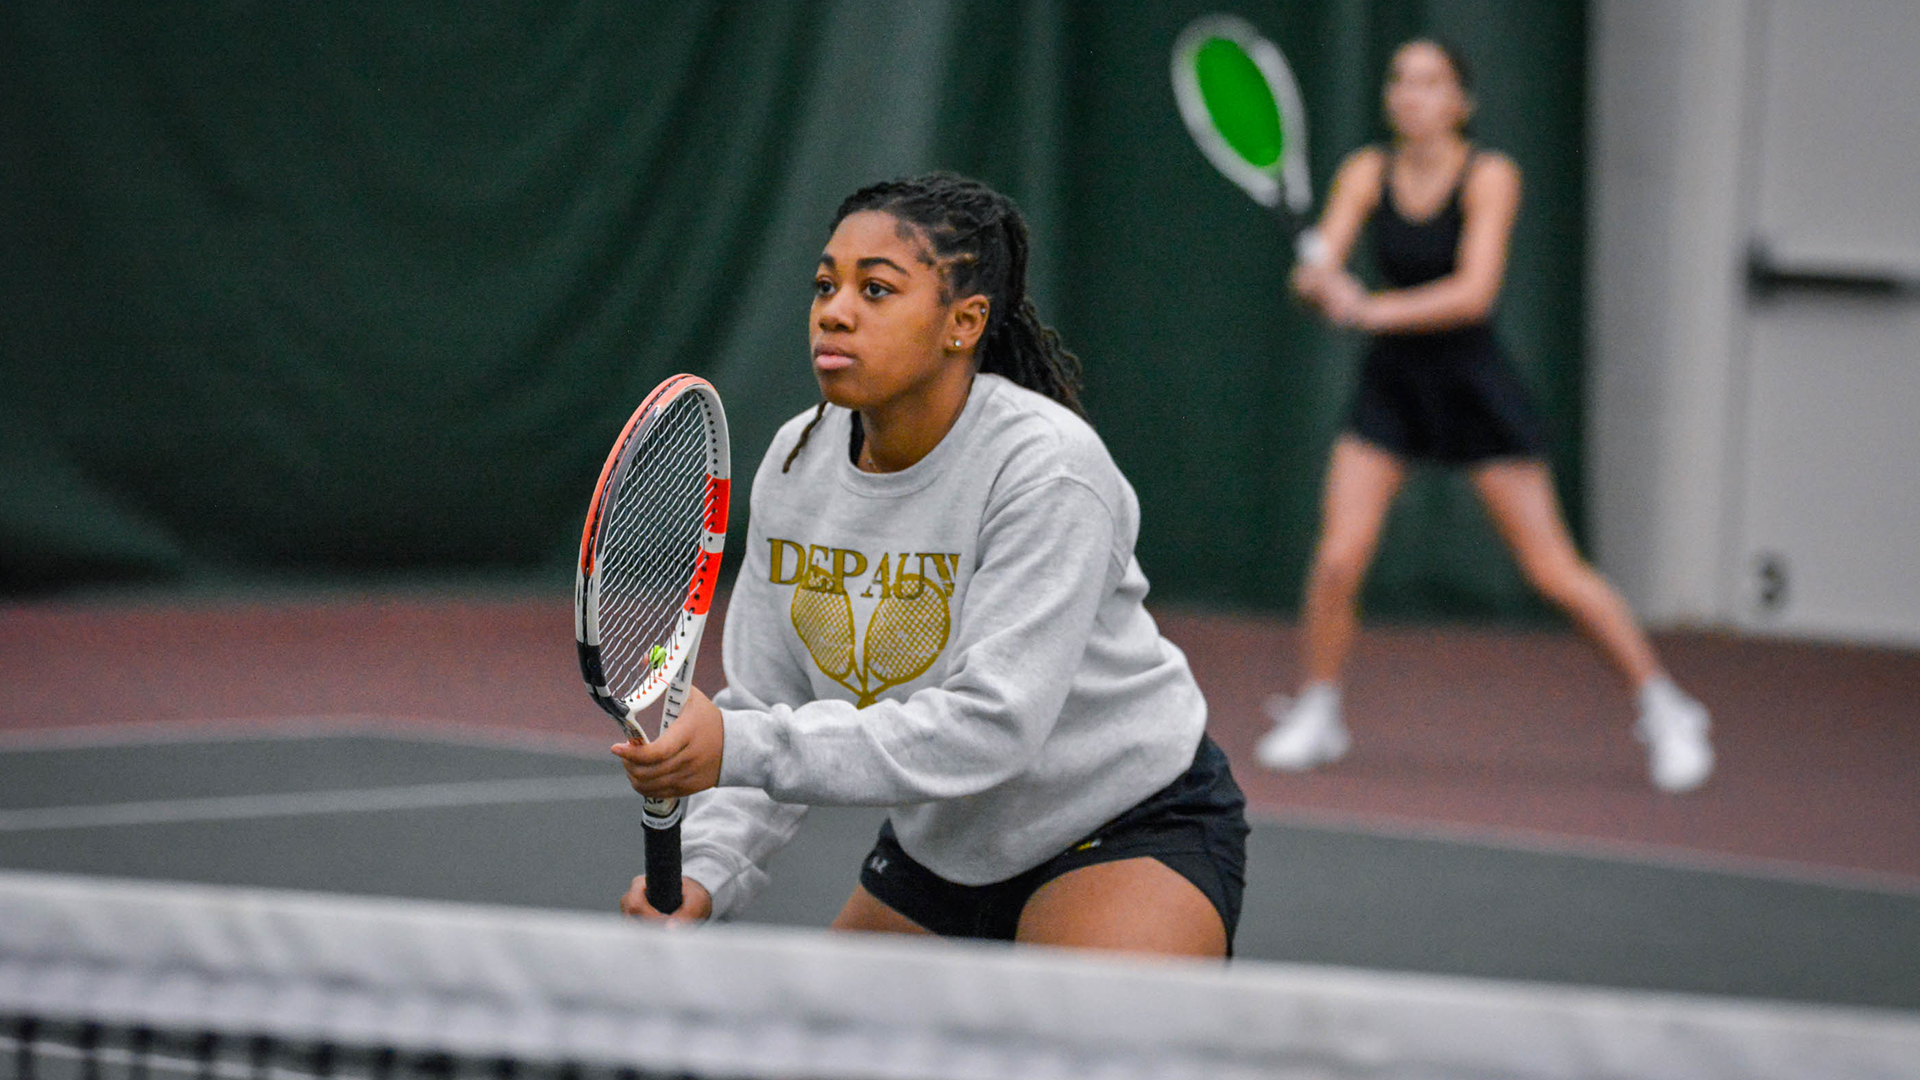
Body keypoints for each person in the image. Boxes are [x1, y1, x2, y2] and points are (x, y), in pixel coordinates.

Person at [612, 172, 1250, 956]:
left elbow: (992, 726)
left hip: (1120, 822)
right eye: (824, 285)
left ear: (964, 321)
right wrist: (706, 875)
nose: (834, 311)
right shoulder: (795, 460)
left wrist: (738, 746)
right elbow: (765, 699)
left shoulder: (1046, 469)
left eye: (876, 289)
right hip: (945, 846)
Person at [1256, 39, 1714, 793]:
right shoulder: (1365, 172)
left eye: (1430, 83)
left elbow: (1474, 292)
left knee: (1553, 571)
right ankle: (1318, 707)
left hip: (1473, 383)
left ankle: (1666, 706)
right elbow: (1320, 268)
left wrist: (1369, 308)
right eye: (1400, 80)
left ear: (1461, 102)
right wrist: (1315, 280)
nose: (1410, 95)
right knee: (1339, 555)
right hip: (1391, 387)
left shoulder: (1492, 174)